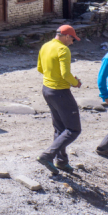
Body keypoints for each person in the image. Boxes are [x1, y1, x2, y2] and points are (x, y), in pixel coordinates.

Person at [36, 25, 82, 175]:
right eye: (73, 39)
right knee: (73, 129)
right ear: (66, 36)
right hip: (61, 91)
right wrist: (76, 82)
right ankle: (47, 155)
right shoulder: (63, 49)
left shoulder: (45, 46)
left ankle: (61, 162)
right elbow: (65, 74)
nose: (73, 42)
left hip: (47, 89)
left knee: (60, 128)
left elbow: (40, 68)